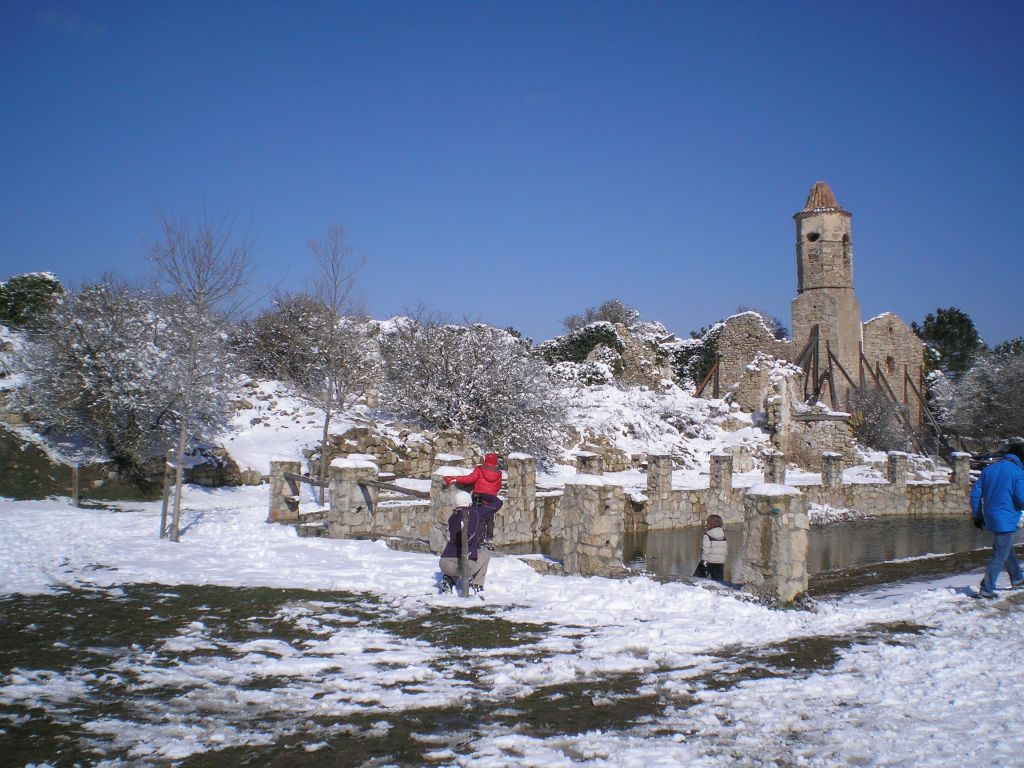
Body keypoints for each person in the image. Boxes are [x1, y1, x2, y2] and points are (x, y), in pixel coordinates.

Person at [970, 443, 1024, 598]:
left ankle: (1017, 578)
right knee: (1000, 553)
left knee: (1005, 547)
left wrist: (977, 515)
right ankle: (986, 589)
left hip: (990, 517)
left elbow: (975, 494)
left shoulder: (989, 470)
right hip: (1006, 518)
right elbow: (1021, 499)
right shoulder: (1018, 472)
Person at [438, 491, 496, 594]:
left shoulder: (452, 517)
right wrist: (482, 495)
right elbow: (497, 503)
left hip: (444, 563)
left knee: (457, 561)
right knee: (485, 552)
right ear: (469, 501)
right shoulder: (476, 513)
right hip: (465, 565)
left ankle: (449, 580)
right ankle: (477, 584)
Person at [443, 453, 503, 546]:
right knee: (489, 519)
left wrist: (455, 478)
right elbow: (498, 487)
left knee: (478, 518)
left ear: (486, 460)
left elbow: (469, 479)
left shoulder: (479, 469)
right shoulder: (498, 473)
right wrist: (491, 493)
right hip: (491, 499)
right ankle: (489, 539)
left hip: (478, 497)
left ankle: (480, 539)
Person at [695, 514, 727, 581]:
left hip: (708, 562)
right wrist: (723, 559)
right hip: (720, 562)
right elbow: (725, 550)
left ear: (711, 525)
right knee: (718, 582)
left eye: (708, 523)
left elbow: (705, 550)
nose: (706, 525)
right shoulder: (723, 535)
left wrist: (704, 562)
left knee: (697, 579)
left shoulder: (707, 535)